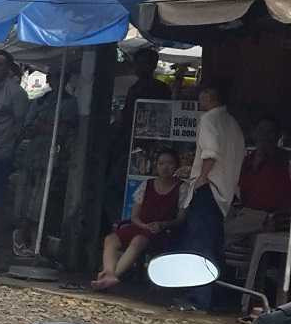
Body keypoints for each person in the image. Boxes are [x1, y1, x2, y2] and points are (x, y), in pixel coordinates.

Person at [173, 84, 247, 308]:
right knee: (214, 245)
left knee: (200, 244)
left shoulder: (209, 119)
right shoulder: (233, 123)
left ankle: (197, 299)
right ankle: (216, 298)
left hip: (209, 188)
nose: (199, 100)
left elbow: (211, 152)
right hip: (225, 191)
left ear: (209, 97)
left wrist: (202, 177)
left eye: (201, 97)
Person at [93, 147, 185, 290]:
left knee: (138, 241)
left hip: (163, 231)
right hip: (141, 226)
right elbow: (134, 216)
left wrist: (163, 224)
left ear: (176, 166)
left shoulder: (181, 188)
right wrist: (143, 225)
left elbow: (181, 218)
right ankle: (109, 273)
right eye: (161, 164)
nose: (165, 167)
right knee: (110, 239)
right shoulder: (147, 185)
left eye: (169, 163)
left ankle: (113, 276)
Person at [223, 115, 290, 270]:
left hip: (273, 218)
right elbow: (238, 192)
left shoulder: (285, 161)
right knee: (216, 223)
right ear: (254, 134)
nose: (264, 136)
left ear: (278, 135)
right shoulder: (247, 161)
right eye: (261, 131)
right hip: (247, 214)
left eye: (269, 132)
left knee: (221, 233)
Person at [0, 50, 30, 251]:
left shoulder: (17, 93)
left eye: (0, 64)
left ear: (8, 67)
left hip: (1, 152)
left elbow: (21, 125)